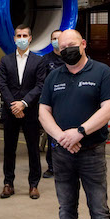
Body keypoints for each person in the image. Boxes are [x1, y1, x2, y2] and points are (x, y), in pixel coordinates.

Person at [39, 29, 110, 219]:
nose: (67, 51)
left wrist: (80, 132)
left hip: (91, 153)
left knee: (98, 209)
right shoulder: (54, 76)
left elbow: (109, 109)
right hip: (62, 153)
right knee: (66, 209)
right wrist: (62, 137)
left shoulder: (102, 73)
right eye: (62, 48)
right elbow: (43, 111)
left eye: (72, 45)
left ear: (83, 44)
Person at [0, 25, 46, 199]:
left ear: (30, 38)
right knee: (9, 149)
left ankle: (33, 185)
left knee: (33, 149)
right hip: (11, 112)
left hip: (30, 112)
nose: (22, 38)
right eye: (19, 35)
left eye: (25, 35)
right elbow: (2, 84)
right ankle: (8, 183)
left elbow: (40, 85)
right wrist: (14, 105)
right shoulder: (5, 60)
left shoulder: (38, 61)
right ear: (14, 38)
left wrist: (24, 103)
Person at [41, 29, 65, 178]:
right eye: (54, 38)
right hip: (53, 104)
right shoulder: (46, 59)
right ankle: (51, 167)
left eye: (59, 38)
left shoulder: (70, 57)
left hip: (68, 102)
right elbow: (42, 83)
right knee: (52, 137)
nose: (56, 41)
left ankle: (67, 167)